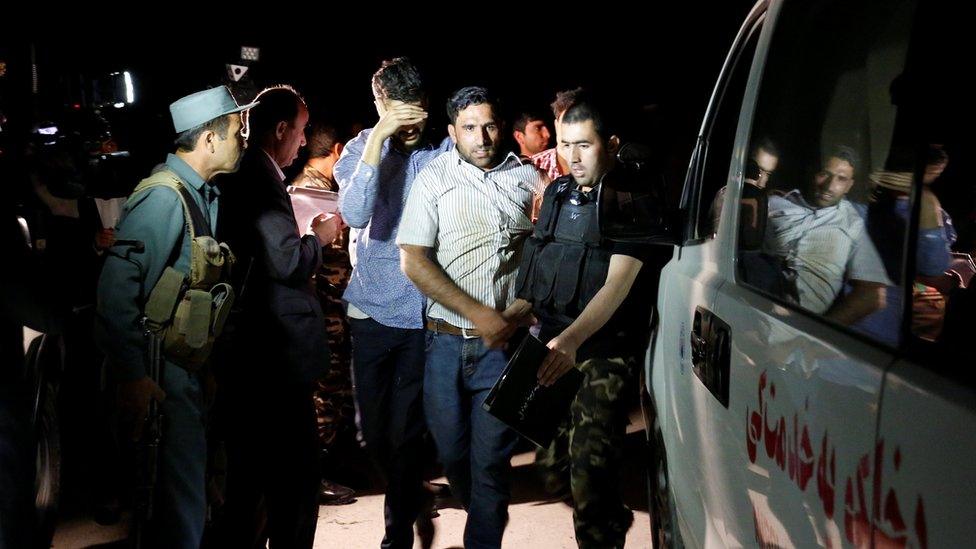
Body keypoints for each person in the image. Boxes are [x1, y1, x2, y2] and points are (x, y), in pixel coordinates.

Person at [95, 85, 252, 548]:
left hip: (181, 369)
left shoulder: (198, 194)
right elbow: (115, 295)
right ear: (208, 140)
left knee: (187, 500)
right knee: (176, 511)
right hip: (157, 373)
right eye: (237, 132)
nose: (243, 140)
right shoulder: (166, 197)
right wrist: (132, 377)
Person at [398, 86, 547, 549]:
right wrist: (479, 313)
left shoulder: (529, 181)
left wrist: (513, 315)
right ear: (452, 132)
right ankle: (471, 506)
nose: (481, 137)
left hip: (503, 351)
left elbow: (546, 263)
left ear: (501, 128)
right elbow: (414, 261)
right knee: (454, 456)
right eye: (469, 127)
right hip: (443, 346)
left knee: (490, 469)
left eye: (489, 125)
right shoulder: (433, 178)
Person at [513, 92, 654, 547]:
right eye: (564, 144)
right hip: (554, 343)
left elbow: (617, 285)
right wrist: (516, 311)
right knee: (553, 469)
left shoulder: (632, 197)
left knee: (589, 467)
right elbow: (540, 260)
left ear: (610, 144)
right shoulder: (557, 193)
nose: (571, 157)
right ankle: (609, 516)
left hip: (602, 349)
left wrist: (571, 341)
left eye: (584, 145)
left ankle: (601, 534)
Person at [334, 57, 450, 549]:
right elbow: (356, 211)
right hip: (371, 311)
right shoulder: (361, 150)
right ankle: (413, 494)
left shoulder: (443, 151)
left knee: (405, 436)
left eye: (416, 114)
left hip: (422, 314)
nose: (410, 127)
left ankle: (396, 534)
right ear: (380, 105)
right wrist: (379, 139)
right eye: (398, 114)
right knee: (373, 435)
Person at [215, 85, 337, 548]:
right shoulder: (258, 177)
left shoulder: (253, 173)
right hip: (273, 355)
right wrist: (319, 238)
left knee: (252, 479)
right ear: (281, 128)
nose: (304, 144)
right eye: (301, 132)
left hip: (255, 352)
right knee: (293, 482)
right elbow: (284, 262)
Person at [291, 121, 358, 505]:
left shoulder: (316, 189)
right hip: (325, 309)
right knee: (324, 394)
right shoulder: (313, 194)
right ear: (336, 150)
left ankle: (325, 466)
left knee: (333, 393)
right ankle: (312, 477)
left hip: (329, 309)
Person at [764, 146, 890, 324]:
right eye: (824, 174)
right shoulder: (775, 204)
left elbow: (873, 294)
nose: (829, 186)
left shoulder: (852, 224)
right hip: (758, 302)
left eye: (841, 179)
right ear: (811, 172)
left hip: (802, 327)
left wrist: (815, 336)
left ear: (849, 186)